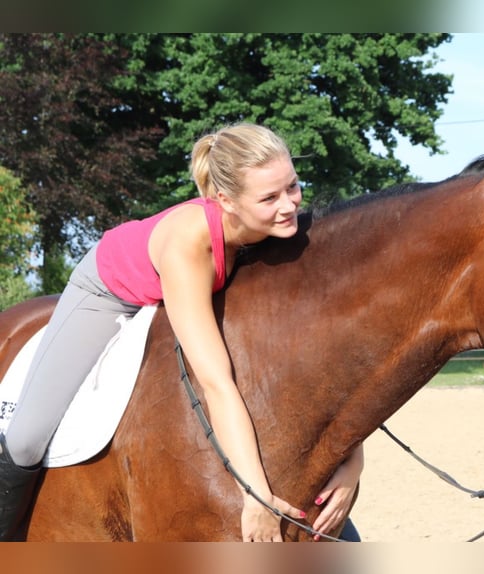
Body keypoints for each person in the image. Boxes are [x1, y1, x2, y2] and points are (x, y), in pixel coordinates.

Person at [0, 123, 364, 542]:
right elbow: (214, 382)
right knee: (26, 440)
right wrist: (256, 497)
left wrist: (353, 463)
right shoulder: (190, 243)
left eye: (293, 187)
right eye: (269, 197)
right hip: (109, 289)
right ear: (225, 200)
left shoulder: (281, 230)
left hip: (180, 282)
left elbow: (320, 366)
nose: (288, 207)